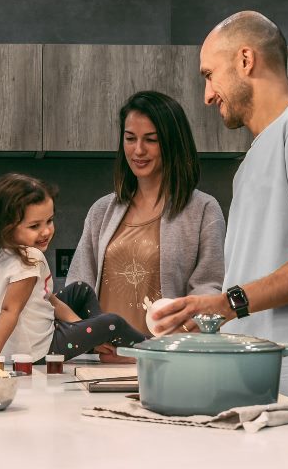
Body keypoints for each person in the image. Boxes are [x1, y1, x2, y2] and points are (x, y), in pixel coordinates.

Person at [151, 11, 288, 421]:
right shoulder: (252, 160)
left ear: (246, 60)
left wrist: (230, 303)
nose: (207, 95)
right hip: (260, 392)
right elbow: (255, 283)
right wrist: (210, 317)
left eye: (209, 75)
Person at [66, 91, 226, 348]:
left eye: (151, 140)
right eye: (130, 138)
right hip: (100, 361)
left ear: (173, 143)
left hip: (166, 360)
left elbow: (208, 291)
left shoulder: (203, 210)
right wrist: (88, 336)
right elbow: (77, 286)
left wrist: (171, 341)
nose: (138, 150)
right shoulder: (102, 210)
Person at [0, 173, 146, 366]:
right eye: (35, 225)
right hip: (38, 351)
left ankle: (104, 346)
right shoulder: (30, 257)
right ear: (7, 227)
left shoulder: (3, 252)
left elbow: (49, 300)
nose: (46, 231)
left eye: (49, 221)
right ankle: (152, 350)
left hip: (25, 346)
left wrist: (87, 332)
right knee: (112, 322)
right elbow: (10, 310)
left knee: (80, 290)